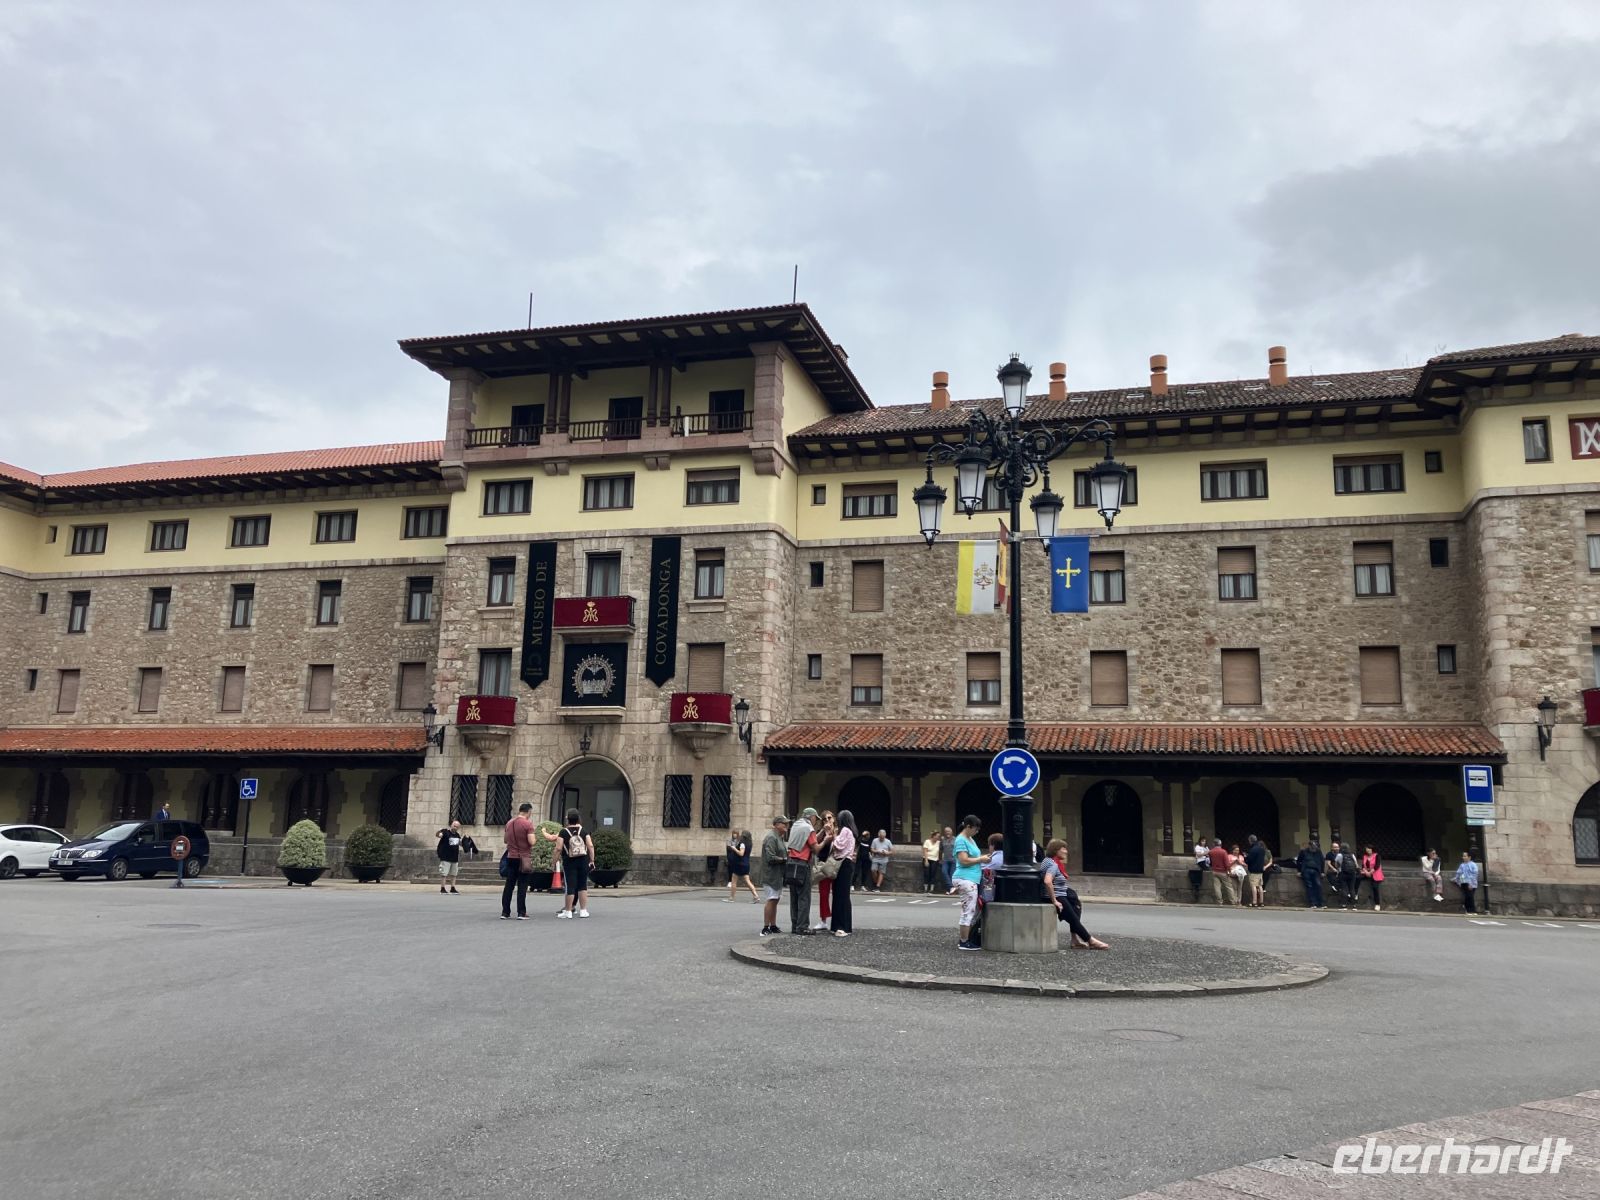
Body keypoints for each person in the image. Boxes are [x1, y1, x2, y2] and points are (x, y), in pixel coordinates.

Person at [1043, 839, 1109, 949]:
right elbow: (1047, 881)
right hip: (1057, 895)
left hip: (1062, 892)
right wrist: (1054, 900)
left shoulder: (1049, 861)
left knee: (1075, 905)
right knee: (1073, 917)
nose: (1066, 851)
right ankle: (1090, 940)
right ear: (1056, 850)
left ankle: (1075, 939)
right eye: (1063, 849)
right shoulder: (1052, 865)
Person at [542, 809, 594, 918]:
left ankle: (568, 911)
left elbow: (558, 848)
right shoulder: (584, 831)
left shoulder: (563, 832)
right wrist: (592, 860)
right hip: (583, 860)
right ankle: (583, 911)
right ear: (578, 818)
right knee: (582, 885)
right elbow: (590, 846)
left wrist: (554, 861)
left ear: (568, 819)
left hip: (569, 861)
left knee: (570, 885)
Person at [952, 815, 986, 950]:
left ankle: (967, 939)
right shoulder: (961, 840)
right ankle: (964, 941)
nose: (977, 831)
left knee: (971, 909)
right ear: (968, 827)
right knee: (968, 910)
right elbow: (963, 860)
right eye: (975, 829)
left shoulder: (969, 839)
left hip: (971, 878)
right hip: (965, 878)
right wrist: (981, 859)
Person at [785, 807, 819, 934]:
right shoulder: (809, 829)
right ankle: (803, 926)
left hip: (791, 863)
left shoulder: (796, 825)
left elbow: (807, 842)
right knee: (804, 897)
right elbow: (815, 849)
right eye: (816, 818)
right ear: (811, 817)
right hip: (803, 864)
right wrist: (826, 840)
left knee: (794, 896)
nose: (816, 821)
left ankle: (795, 925)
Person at [501, 802, 535, 920]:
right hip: (524, 857)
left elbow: (506, 840)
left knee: (509, 885)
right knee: (522, 885)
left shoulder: (509, 823)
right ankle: (521, 912)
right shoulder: (528, 824)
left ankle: (505, 912)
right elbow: (532, 842)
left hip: (511, 857)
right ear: (528, 812)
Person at [758, 816, 789, 936]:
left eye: (786, 823)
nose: (786, 825)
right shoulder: (771, 837)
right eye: (783, 823)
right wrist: (784, 859)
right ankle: (765, 927)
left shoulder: (779, 837)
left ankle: (773, 925)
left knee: (775, 899)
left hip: (777, 874)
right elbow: (770, 857)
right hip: (771, 874)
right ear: (776, 825)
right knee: (771, 899)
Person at [830, 810, 858, 937]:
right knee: (840, 894)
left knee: (841, 895)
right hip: (846, 863)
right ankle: (838, 925)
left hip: (843, 864)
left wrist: (834, 835)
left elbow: (838, 845)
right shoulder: (850, 831)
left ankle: (842, 926)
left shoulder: (845, 831)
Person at [812, 811, 837, 931]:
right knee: (823, 894)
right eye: (824, 819)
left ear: (834, 818)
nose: (827, 820)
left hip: (836, 865)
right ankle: (823, 920)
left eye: (829, 818)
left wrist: (833, 833)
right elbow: (814, 844)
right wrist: (823, 831)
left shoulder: (838, 831)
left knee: (838, 894)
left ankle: (838, 920)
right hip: (824, 866)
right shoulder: (821, 833)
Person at [725, 828, 759, 903]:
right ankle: (755, 896)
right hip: (746, 864)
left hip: (739, 864)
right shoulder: (749, 844)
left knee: (734, 880)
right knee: (747, 881)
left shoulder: (742, 844)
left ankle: (731, 898)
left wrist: (734, 848)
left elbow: (741, 853)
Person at [1325, 840, 1359, 910]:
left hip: (1343, 873)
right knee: (1352, 888)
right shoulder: (1352, 855)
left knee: (1344, 888)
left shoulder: (1340, 855)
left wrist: (1338, 869)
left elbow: (1336, 864)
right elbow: (1356, 864)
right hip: (1352, 874)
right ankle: (1354, 905)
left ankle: (1344, 905)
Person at [1295, 840, 1326, 909]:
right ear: (1309, 846)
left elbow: (1322, 861)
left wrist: (1322, 871)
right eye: (1312, 846)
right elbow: (1298, 861)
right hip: (1306, 870)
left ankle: (1320, 903)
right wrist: (1299, 871)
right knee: (1309, 886)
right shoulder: (1303, 852)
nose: (1313, 848)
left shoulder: (1318, 852)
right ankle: (1312, 903)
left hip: (1316, 870)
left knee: (1318, 885)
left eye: (1314, 846)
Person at [435, 820, 464, 894]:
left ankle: (452, 887)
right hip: (445, 856)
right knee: (444, 873)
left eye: (457, 827)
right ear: (451, 825)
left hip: (454, 857)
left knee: (454, 874)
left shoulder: (457, 835)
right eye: (454, 826)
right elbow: (438, 834)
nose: (455, 828)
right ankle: (442, 888)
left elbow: (461, 843)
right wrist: (439, 833)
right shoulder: (445, 832)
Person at [1243, 835, 1270, 908]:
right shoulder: (1262, 849)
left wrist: (1245, 857)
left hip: (1253, 870)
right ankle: (1261, 902)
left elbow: (1249, 860)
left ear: (1250, 840)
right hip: (1260, 870)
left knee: (1253, 886)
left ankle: (1254, 902)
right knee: (1260, 886)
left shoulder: (1253, 850)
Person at [1207, 838, 1235, 906]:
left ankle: (1220, 902)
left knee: (1217, 887)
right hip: (1223, 871)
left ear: (1214, 844)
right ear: (1220, 844)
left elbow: (1210, 862)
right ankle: (1232, 901)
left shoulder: (1211, 852)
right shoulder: (1223, 852)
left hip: (1214, 871)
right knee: (1229, 886)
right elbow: (1227, 863)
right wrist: (1229, 871)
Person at [1360, 844, 1384, 911]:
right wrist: (1366, 872)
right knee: (1357, 878)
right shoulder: (1364, 856)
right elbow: (1363, 866)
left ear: (1372, 849)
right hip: (1366, 872)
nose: (1368, 851)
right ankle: (1355, 895)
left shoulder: (1376, 855)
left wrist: (1370, 872)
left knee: (1375, 887)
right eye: (1367, 850)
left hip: (1375, 873)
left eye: (1369, 849)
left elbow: (1377, 866)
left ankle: (1377, 904)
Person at [940, 827, 956, 894]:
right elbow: (940, 850)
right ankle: (951, 887)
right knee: (944, 872)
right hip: (945, 860)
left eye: (949, 831)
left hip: (953, 860)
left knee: (951, 875)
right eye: (946, 831)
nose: (947, 833)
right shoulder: (943, 840)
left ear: (951, 832)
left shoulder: (955, 839)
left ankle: (948, 890)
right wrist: (940, 859)